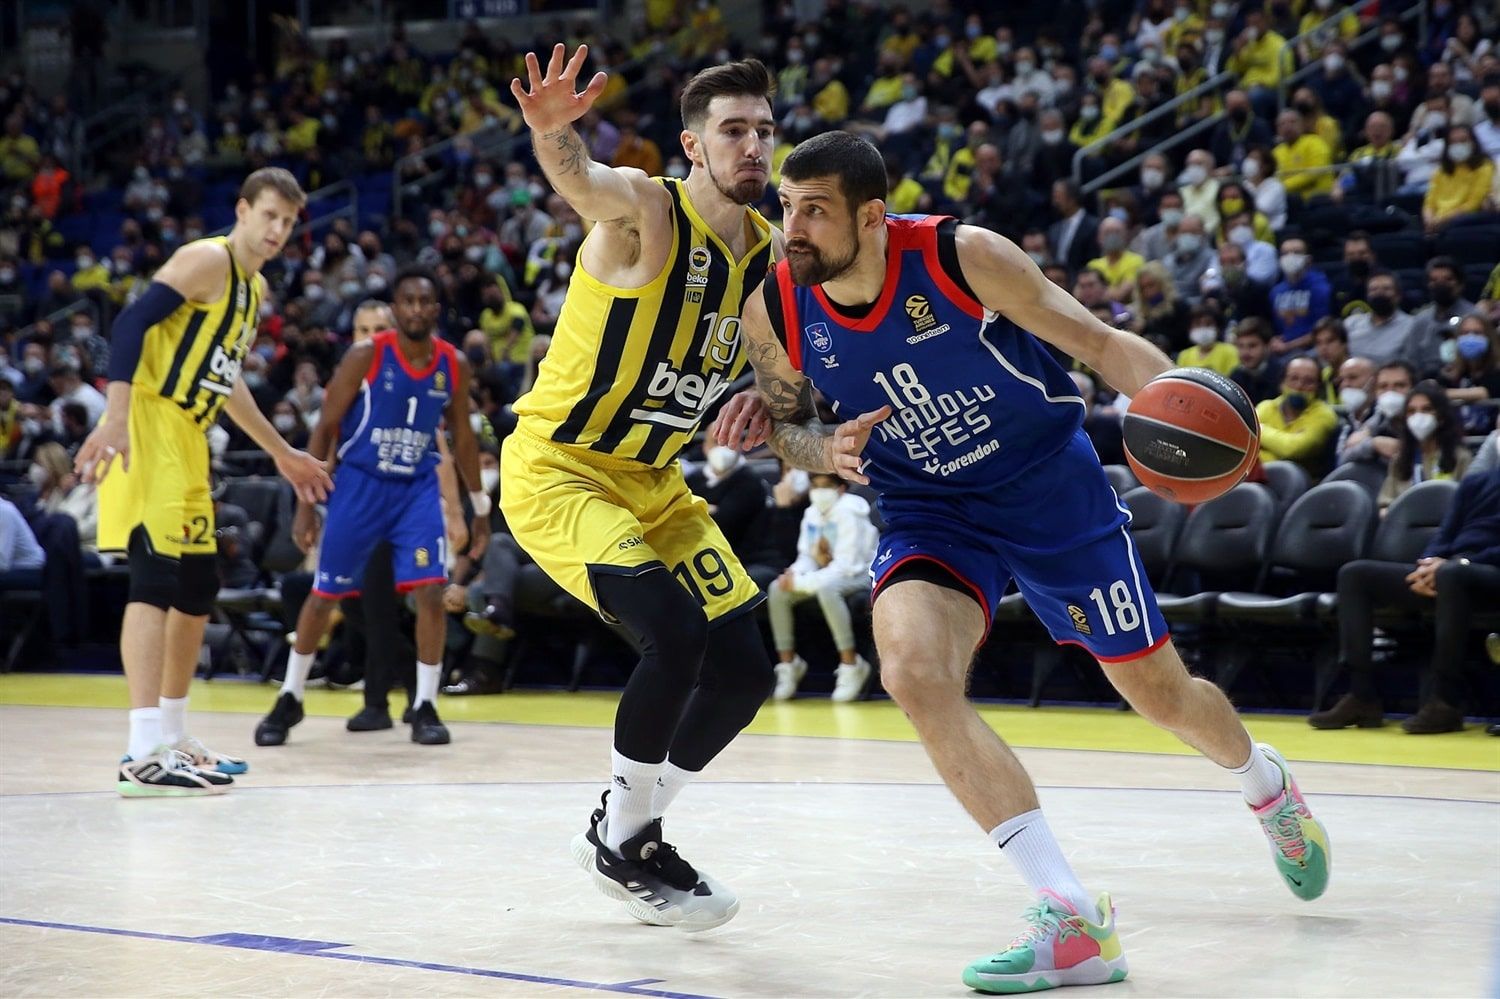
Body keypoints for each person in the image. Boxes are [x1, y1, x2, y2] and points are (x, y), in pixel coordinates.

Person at [719, 130, 1329, 994]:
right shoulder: (775, 304)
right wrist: (825, 448)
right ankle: (1071, 913)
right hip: (929, 507)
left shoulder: (964, 256)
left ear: (872, 215)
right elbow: (790, 428)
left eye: (814, 210)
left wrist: (1192, 413)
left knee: (1160, 695)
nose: (793, 229)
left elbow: (1103, 345)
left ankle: (1265, 784)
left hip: (1049, 488)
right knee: (912, 671)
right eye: (786, 207)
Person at [502, 47, 781, 931]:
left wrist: (812, 430)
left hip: (655, 482)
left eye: (764, 130)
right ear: (693, 145)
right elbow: (583, 181)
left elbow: (786, 405)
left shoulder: (770, 258)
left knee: (746, 670)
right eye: (732, 131)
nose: (752, 146)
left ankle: (628, 825)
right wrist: (554, 133)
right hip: (563, 468)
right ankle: (625, 841)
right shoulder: (645, 211)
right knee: (674, 630)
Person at [73, 167, 331, 797]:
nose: (277, 230)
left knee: (197, 584)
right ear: (242, 211)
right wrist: (116, 417)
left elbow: (226, 379)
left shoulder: (254, 289)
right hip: (150, 420)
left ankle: (172, 734)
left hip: (190, 435)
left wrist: (281, 452)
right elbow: (129, 325)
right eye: (268, 215)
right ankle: (141, 751)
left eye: (288, 222)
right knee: (155, 577)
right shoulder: (206, 260)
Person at [253, 267, 489, 748]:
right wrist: (307, 504)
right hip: (359, 485)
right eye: (408, 301)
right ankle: (291, 695)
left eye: (425, 301)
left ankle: (425, 704)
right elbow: (325, 428)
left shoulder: (453, 363)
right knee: (324, 594)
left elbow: (462, 438)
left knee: (430, 592)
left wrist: (478, 505)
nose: (417, 309)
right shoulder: (366, 355)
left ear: (436, 309)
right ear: (396, 308)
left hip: (415, 489)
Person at [1311, 454, 1500, 734]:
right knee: (1355, 574)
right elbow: (1445, 533)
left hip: (1488, 572)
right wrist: (1427, 565)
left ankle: (1445, 702)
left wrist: (1460, 563)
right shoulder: (1476, 482)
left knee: (1452, 575)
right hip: (1449, 571)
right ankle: (1361, 695)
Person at [767, 472, 878, 702]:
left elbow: (847, 566)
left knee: (828, 589)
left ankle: (851, 664)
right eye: (815, 486)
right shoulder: (811, 513)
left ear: (841, 488)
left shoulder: (850, 512)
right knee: (777, 589)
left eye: (826, 485)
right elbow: (807, 557)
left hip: (864, 572)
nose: (819, 491)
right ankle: (789, 664)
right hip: (830, 573)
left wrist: (802, 582)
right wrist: (794, 574)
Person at [1376, 382, 1473, 510]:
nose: (1418, 416)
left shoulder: (1461, 457)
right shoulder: (1400, 460)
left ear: (1441, 417)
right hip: (1407, 520)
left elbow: (1470, 502)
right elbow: (1385, 503)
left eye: (1426, 409)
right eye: (1411, 411)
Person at [1256, 356, 1340, 479]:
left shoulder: (1325, 415)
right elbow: (1244, 441)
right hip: (1258, 479)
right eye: (1294, 378)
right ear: (1282, 383)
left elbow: (1292, 449)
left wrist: (1259, 430)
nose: (1299, 386)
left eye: (1309, 381)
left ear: (1318, 387)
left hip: (1302, 485)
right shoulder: (1266, 407)